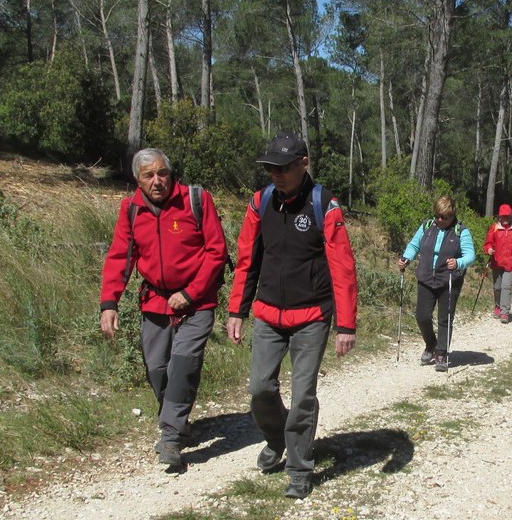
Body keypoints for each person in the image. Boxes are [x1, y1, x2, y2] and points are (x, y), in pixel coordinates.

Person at [226, 132, 358, 500]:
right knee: (259, 389)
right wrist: (237, 309)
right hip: (268, 314)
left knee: (303, 395)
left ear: (303, 164)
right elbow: (247, 260)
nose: (275, 175)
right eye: (270, 168)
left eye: (282, 167)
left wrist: (345, 325)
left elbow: (343, 268)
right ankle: (276, 439)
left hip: (312, 316)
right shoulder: (260, 202)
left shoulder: (324, 205)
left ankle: (299, 467)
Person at [99, 148, 228, 469]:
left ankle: (170, 436)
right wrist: (108, 303)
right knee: (157, 369)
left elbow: (217, 251)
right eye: (149, 175)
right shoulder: (131, 209)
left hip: (197, 302)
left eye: (162, 173)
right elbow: (120, 257)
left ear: (171, 174)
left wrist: (190, 292)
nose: (157, 181)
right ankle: (178, 421)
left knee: (183, 364)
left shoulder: (196, 200)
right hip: (155, 301)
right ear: (138, 180)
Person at [397, 196, 476, 372]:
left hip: (449, 281)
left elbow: (470, 255)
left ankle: (441, 352)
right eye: (438, 216)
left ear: (452, 214)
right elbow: (414, 245)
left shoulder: (461, 231)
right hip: (426, 278)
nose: (440, 220)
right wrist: (406, 258)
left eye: (445, 217)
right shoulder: (427, 227)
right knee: (422, 316)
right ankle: (431, 343)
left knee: (445, 318)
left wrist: (458, 263)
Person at [483, 203, 512, 324]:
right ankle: (497, 306)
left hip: (510, 264)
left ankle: (504, 313)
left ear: (511, 216)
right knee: (497, 287)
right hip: (496, 263)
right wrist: (489, 250)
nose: (505, 219)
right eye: (503, 216)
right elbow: (487, 244)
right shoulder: (494, 228)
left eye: (507, 216)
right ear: (499, 217)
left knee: (506, 287)